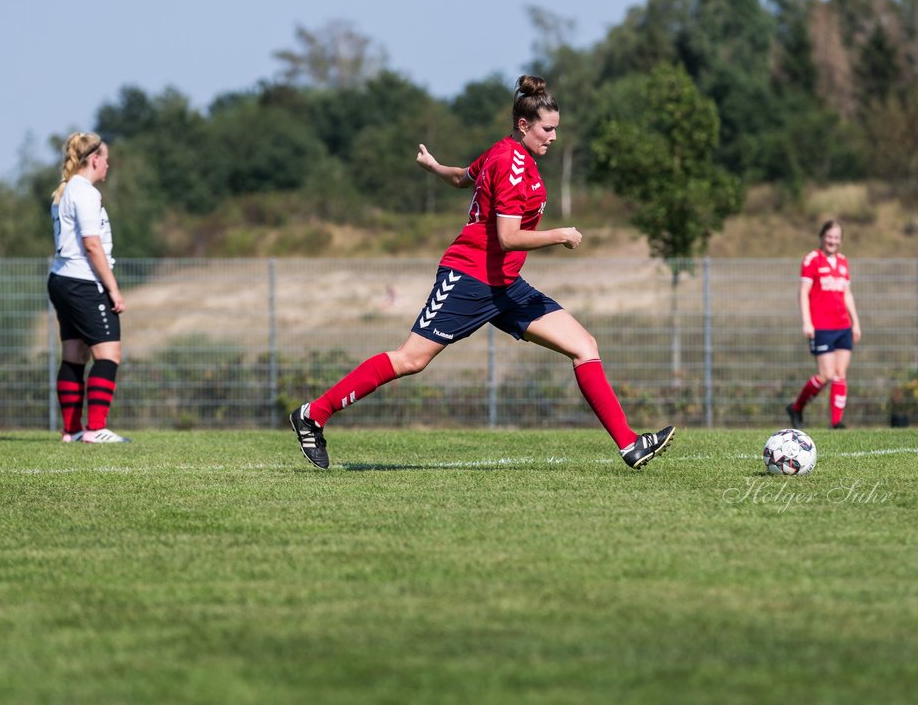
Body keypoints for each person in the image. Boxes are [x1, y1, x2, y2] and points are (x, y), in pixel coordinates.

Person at [289, 75, 675, 470]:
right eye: (548, 129)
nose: (554, 137)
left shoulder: (504, 153)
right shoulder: (509, 162)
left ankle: (630, 445)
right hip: (469, 277)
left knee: (583, 345)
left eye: (556, 129)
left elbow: (461, 178)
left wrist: (434, 166)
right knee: (410, 360)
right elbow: (508, 237)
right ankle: (313, 414)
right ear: (524, 125)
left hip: (506, 285)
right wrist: (558, 235)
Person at [47, 131, 130, 443]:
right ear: (94, 159)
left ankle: (72, 430)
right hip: (83, 281)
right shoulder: (84, 192)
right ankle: (95, 429)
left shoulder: (64, 191)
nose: (108, 165)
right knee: (109, 354)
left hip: (61, 279)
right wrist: (114, 289)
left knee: (74, 353)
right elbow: (92, 245)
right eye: (106, 159)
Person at [786, 220, 861, 430]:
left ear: (841, 240)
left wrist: (855, 322)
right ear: (822, 237)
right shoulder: (812, 260)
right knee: (826, 375)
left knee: (840, 374)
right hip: (822, 326)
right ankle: (797, 407)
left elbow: (846, 293)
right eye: (829, 236)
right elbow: (803, 292)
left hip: (843, 326)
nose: (833, 241)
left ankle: (836, 423)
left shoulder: (843, 262)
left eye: (837, 237)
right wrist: (807, 321)